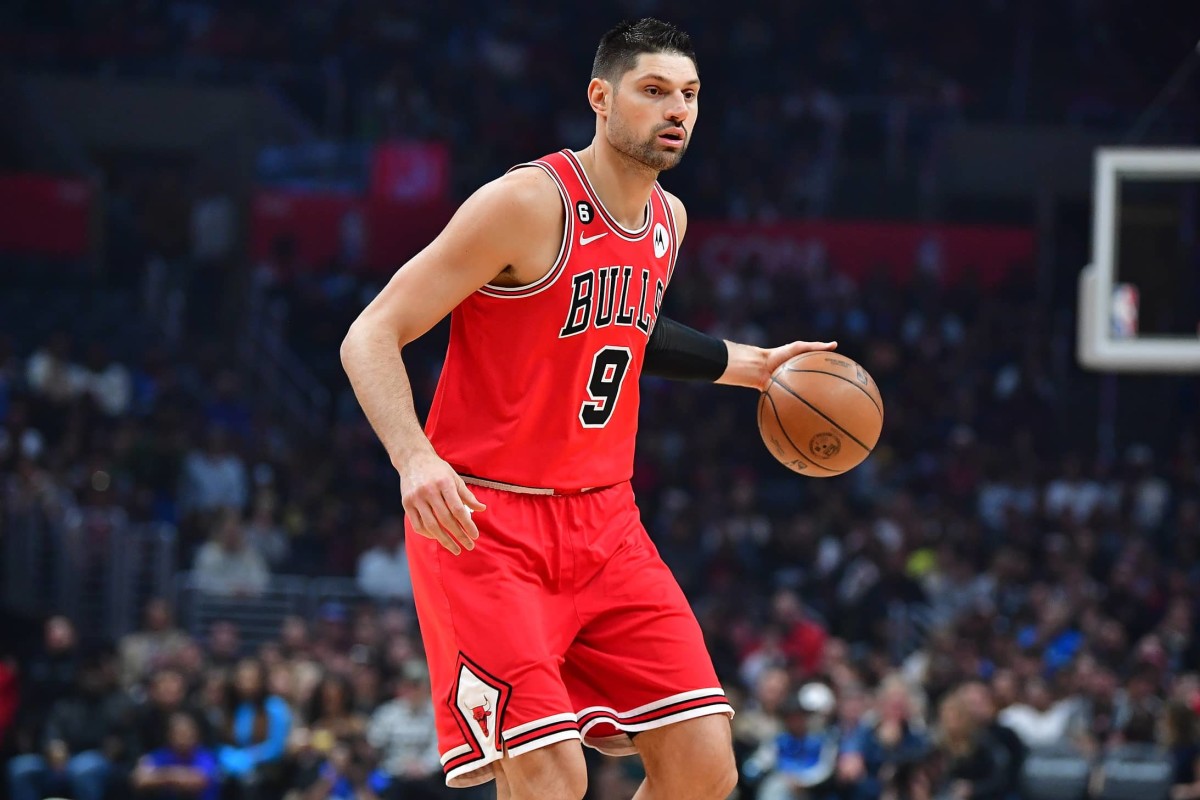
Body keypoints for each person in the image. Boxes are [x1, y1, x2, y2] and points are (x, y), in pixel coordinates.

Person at [340, 17, 836, 798]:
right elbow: (370, 333)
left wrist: (748, 366)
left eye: (690, 95)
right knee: (550, 775)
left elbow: (620, 328)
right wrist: (413, 457)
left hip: (607, 524)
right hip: (484, 521)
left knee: (706, 767)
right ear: (601, 98)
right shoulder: (526, 203)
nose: (677, 110)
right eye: (654, 90)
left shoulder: (667, 221)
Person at [131, 710, 220, 800]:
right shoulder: (161, 755)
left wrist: (160, 775)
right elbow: (139, 779)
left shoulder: (206, 756)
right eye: (178, 734)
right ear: (169, 735)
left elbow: (197, 780)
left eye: (187, 734)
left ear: (196, 735)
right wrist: (177, 776)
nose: (183, 739)